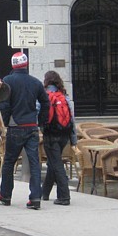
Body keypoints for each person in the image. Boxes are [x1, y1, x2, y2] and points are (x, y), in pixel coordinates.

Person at [0, 52, 49, 210]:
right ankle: (35, 197)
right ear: (26, 65)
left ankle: (5, 194)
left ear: (13, 65)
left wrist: (4, 123)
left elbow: (4, 105)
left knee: (9, 162)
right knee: (34, 163)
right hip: (32, 126)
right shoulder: (36, 82)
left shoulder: (8, 81)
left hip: (15, 127)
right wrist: (41, 122)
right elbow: (45, 103)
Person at [41, 70, 79, 206]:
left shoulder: (45, 95)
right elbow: (72, 120)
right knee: (53, 162)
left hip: (50, 135)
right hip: (64, 135)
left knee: (56, 165)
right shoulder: (65, 97)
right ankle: (44, 193)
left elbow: (39, 114)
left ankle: (64, 196)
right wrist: (74, 140)